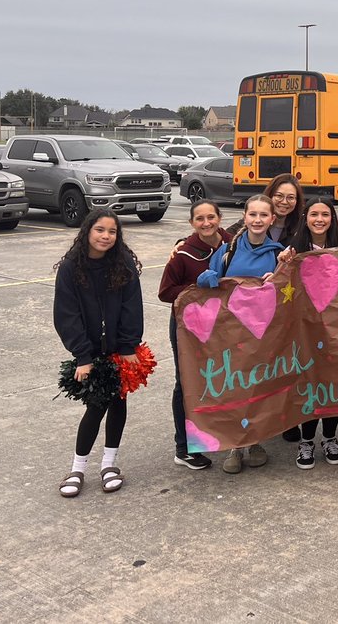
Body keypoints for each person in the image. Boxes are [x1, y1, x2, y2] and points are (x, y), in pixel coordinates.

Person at [53, 210, 143, 497]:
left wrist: (129, 346)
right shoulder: (70, 268)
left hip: (120, 349)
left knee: (118, 404)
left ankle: (109, 464)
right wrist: (83, 356)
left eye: (112, 232)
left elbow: (132, 306)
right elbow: (66, 315)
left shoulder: (123, 263)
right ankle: (77, 468)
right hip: (90, 351)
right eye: (100, 230)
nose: (106, 236)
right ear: (87, 231)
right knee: (96, 406)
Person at [198, 193, 285, 474]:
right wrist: (209, 278)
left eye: (263, 215)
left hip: (264, 333)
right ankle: (235, 445)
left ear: (272, 219)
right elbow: (204, 278)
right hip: (231, 332)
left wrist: (280, 279)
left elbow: (288, 293)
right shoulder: (228, 250)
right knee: (235, 386)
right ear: (244, 218)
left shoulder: (278, 253)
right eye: (253, 215)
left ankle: (256, 440)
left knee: (259, 386)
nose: (257, 220)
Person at [277, 200, 338, 470]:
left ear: (333, 218)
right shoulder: (293, 249)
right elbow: (279, 281)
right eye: (314, 214)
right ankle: (307, 440)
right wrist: (281, 263)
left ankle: (331, 438)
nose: (319, 219)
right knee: (309, 383)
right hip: (305, 330)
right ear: (305, 218)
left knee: (333, 383)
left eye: (325, 214)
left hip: (337, 329)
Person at [158, 199, 230, 471]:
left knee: (220, 378)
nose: (206, 223)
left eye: (211, 217)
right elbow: (165, 292)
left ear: (220, 218)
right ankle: (183, 447)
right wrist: (195, 289)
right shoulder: (184, 254)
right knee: (186, 381)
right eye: (200, 219)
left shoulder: (232, 244)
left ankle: (219, 434)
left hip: (221, 324)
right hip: (187, 326)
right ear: (192, 223)